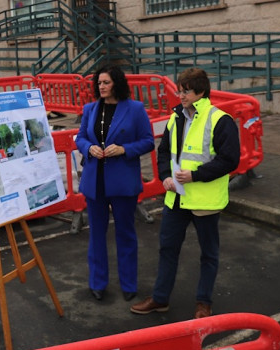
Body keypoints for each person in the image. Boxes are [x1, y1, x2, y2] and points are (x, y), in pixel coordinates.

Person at [131, 67, 240, 319]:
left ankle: (204, 302)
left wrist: (195, 175)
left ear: (200, 91)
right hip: (176, 198)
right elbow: (164, 152)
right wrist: (166, 177)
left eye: (186, 91)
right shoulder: (176, 117)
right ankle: (160, 299)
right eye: (179, 90)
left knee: (208, 254)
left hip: (205, 201)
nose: (180, 95)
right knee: (167, 249)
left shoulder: (219, 120)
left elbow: (229, 160)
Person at [75, 65, 154, 302]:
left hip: (122, 181)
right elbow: (80, 138)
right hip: (94, 182)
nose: (101, 86)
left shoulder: (135, 109)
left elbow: (148, 141)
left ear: (117, 84)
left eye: (106, 82)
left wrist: (124, 149)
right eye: (99, 83)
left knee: (125, 234)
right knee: (96, 235)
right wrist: (89, 147)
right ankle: (97, 283)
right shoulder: (90, 109)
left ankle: (129, 284)